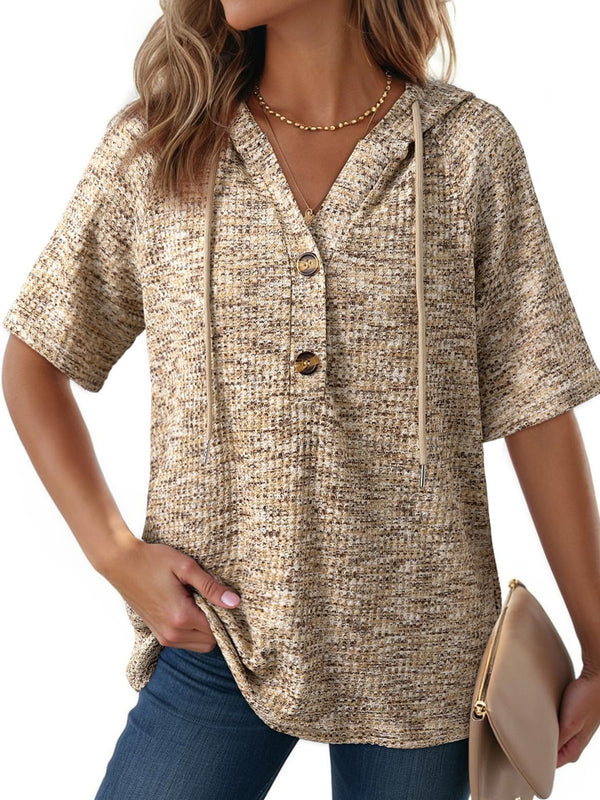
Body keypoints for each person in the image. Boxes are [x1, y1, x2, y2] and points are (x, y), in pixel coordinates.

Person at [3, 1, 600, 798]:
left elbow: (538, 404)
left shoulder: (466, 149)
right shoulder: (162, 147)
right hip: (220, 634)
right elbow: (35, 357)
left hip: (422, 649)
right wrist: (115, 555)